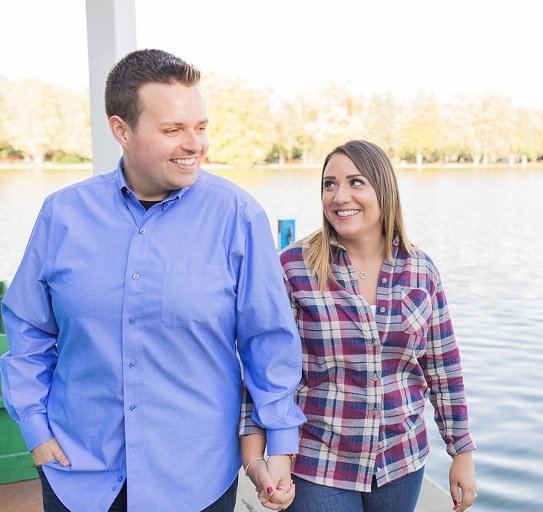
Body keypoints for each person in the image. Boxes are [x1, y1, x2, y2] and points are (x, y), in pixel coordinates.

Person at [0, 49, 304, 511]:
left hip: (195, 478)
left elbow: (269, 341)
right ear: (121, 130)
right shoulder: (61, 216)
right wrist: (36, 430)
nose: (195, 144)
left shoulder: (238, 218)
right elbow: (28, 331)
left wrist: (279, 445)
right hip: (77, 473)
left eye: (200, 127)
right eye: (172, 130)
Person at [241, 140, 477, 512]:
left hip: (402, 461)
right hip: (319, 463)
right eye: (329, 184)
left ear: (383, 189)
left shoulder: (421, 271)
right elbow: (263, 370)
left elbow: (444, 368)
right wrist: (266, 456)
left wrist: (460, 450)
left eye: (356, 182)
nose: (339, 196)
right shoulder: (292, 268)